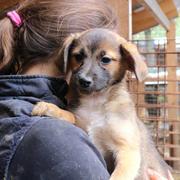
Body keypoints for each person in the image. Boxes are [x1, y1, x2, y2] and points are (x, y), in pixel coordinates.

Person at [0, 0, 173, 180]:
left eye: (104, 60)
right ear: (64, 53)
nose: (86, 74)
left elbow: (127, 153)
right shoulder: (55, 135)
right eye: (79, 57)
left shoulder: (11, 105)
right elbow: (81, 124)